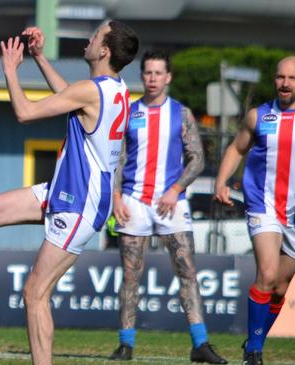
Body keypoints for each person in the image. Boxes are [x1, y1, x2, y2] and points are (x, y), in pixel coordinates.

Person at [0, 21, 139, 364]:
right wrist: (41, 58)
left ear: (104, 51)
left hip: (81, 202)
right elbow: (70, 98)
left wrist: (10, 71)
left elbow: (25, 112)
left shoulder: (92, 90)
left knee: (35, 293)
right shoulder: (113, 88)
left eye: (95, 36)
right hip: (66, 190)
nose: (88, 41)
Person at [108, 50, 226, 364]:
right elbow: (117, 159)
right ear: (142, 75)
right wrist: (116, 197)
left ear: (168, 77)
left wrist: (175, 189)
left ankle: (200, 344)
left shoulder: (182, 114)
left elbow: (197, 159)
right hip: (134, 201)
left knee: (187, 273)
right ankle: (125, 344)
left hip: (172, 205)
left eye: (158, 73)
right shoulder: (130, 113)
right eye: (147, 72)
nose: (152, 78)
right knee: (130, 277)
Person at [214, 56, 295, 365]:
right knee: (268, 273)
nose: (284, 83)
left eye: (291, 78)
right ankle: (254, 353)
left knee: (280, 287)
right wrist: (222, 181)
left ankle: (254, 340)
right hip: (262, 204)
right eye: (279, 77)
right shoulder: (258, 116)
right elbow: (236, 148)